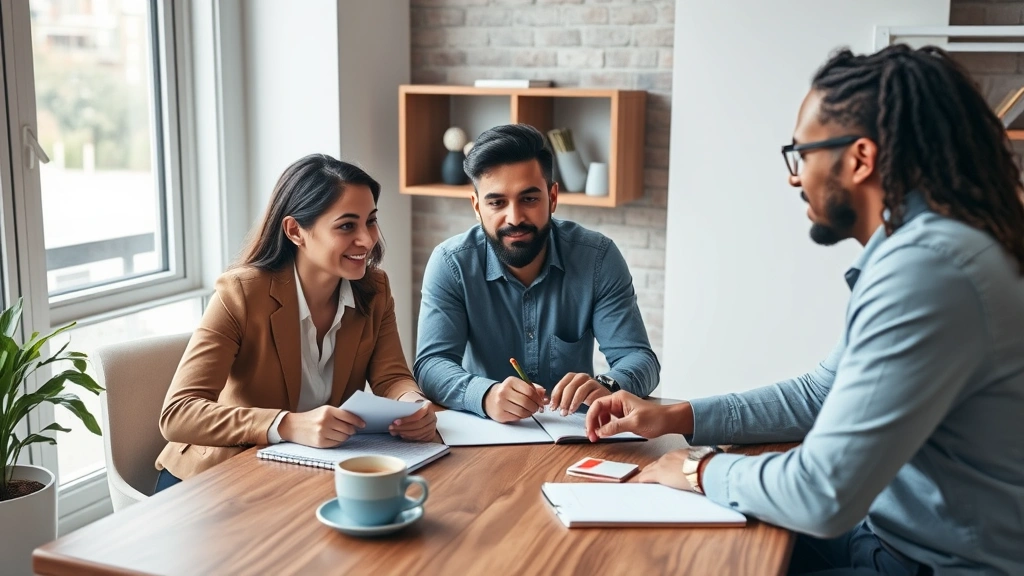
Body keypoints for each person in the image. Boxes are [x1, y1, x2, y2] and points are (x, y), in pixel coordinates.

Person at [586, 45, 1024, 575]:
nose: (795, 177)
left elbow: (823, 493)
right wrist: (678, 417)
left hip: (930, 562)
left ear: (860, 158)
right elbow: (823, 392)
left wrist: (697, 469)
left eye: (803, 154)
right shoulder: (939, 247)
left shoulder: (927, 271)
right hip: (887, 537)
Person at [155, 154, 436, 490]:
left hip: (301, 474)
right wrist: (286, 424)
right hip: (214, 479)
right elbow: (178, 413)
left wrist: (412, 405)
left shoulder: (374, 290)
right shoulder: (241, 293)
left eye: (371, 221)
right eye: (347, 226)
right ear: (295, 231)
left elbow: (391, 376)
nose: (367, 239)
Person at [414, 124, 660, 422]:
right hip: (484, 433)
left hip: (575, 434)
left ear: (552, 197)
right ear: (477, 207)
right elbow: (431, 364)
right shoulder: (451, 264)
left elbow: (640, 359)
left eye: (529, 199)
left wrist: (608, 385)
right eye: (497, 202)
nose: (515, 218)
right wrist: (485, 394)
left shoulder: (598, 258)